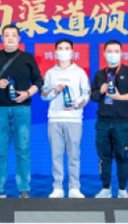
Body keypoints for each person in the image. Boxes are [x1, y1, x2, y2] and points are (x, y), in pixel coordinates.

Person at [0, 24, 43, 198]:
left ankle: (24, 189)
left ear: (19, 38)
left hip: (22, 110)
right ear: (2, 38)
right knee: (0, 151)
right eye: (6, 35)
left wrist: (27, 93)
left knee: (23, 150)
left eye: (13, 35)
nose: (10, 38)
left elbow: (38, 81)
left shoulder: (27, 57)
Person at [90, 40, 128, 199]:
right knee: (104, 156)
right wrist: (101, 90)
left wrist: (120, 97)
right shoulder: (100, 74)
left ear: (122, 53)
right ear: (104, 54)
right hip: (103, 122)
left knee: (122, 156)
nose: (113, 54)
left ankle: (123, 189)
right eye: (110, 51)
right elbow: (93, 96)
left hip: (122, 123)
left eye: (116, 51)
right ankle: (105, 188)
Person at [40, 39, 90, 199]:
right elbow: (43, 95)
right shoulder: (50, 73)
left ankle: (75, 187)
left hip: (74, 119)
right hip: (54, 118)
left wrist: (75, 104)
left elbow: (86, 94)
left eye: (67, 48)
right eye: (60, 48)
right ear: (55, 52)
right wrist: (54, 91)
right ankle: (58, 187)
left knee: (74, 155)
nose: (63, 51)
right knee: (56, 155)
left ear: (72, 51)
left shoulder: (79, 72)